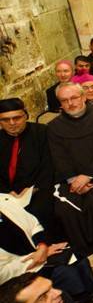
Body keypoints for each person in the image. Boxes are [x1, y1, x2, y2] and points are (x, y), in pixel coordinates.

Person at [47, 83, 93, 257]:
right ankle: (85, 247)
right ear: (60, 104)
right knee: (64, 208)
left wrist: (88, 176)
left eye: (74, 98)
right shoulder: (53, 127)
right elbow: (59, 157)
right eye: (65, 101)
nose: (70, 103)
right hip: (71, 178)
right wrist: (74, 180)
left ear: (83, 97)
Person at [0, 192, 93, 299]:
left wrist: (42, 246)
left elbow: (34, 225)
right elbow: (3, 274)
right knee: (65, 271)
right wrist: (38, 258)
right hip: (20, 272)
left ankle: (90, 294)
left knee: (74, 253)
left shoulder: (3, 200)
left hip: (38, 252)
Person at [0, 98, 57, 237]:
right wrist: (7, 191)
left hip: (38, 187)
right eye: (6, 120)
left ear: (26, 115)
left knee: (40, 209)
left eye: (17, 118)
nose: (12, 123)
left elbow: (49, 163)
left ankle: (51, 246)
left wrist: (34, 188)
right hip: (7, 192)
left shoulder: (42, 132)